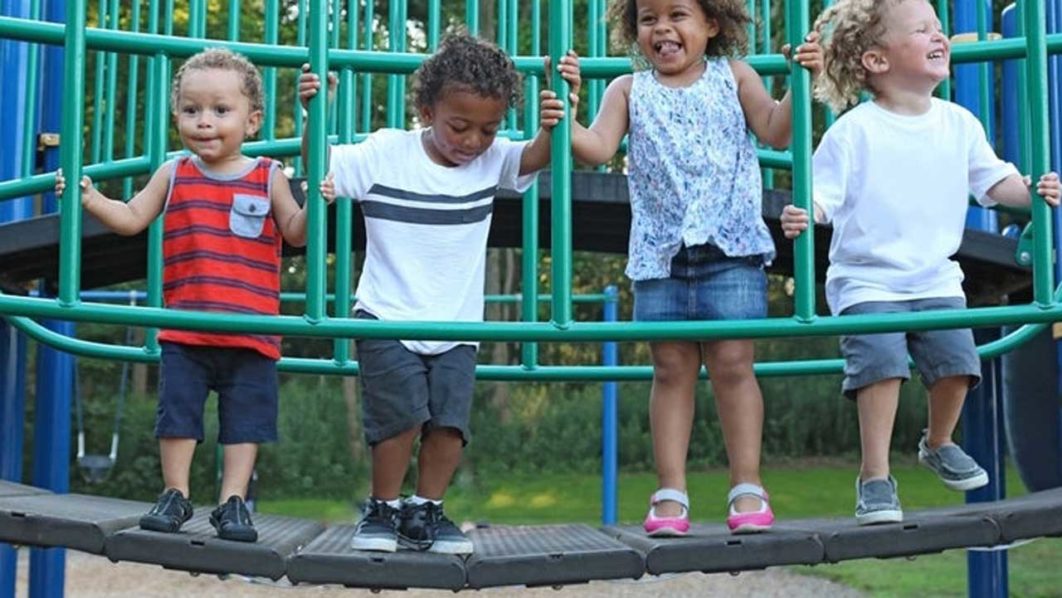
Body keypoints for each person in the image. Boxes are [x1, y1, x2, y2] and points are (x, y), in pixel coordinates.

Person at [780, 0, 1061, 525]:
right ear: (877, 60)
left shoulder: (958, 123)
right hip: (867, 279)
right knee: (881, 365)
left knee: (958, 363)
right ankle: (875, 476)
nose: (939, 36)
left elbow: (993, 180)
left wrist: (1029, 191)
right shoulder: (855, 130)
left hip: (935, 275)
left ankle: (938, 441)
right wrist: (807, 212)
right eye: (921, 30)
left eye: (938, 27)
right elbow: (823, 193)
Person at [556, 0, 821, 535]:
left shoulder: (735, 76)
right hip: (661, 256)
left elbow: (777, 132)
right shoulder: (628, 89)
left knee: (733, 366)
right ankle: (671, 490)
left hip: (731, 249)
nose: (662, 28)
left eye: (677, 15)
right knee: (670, 371)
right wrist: (567, 111)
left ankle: (747, 484)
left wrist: (802, 83)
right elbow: (596, 148)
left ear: (711, 24)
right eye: (648, 18)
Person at [299, 32, 567, 554]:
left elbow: (536, 155)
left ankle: (426, 509)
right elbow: (321, 162)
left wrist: (555, 117)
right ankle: (383, 508)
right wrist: (316, 111)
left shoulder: (492, 160)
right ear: (427, 111)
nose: (473, 141)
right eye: (459, 127)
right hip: (387, 314)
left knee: (449, 426)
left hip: (456, 323)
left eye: (488, 129)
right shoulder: (387, 153)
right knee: (399, 420)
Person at [56, 47, 320, 542]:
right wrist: (90, 199)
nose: (204, 121)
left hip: (251, 332)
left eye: (221, 110)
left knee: (246, 422)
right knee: (177, 416)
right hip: (186, 329)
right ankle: (175, 493)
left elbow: (296, 232)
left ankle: (232, 501)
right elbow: (132, 218)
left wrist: (318, 207)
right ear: (176, 115)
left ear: (252, 120)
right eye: (191, 110)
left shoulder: (268, 175)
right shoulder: (174, 172)